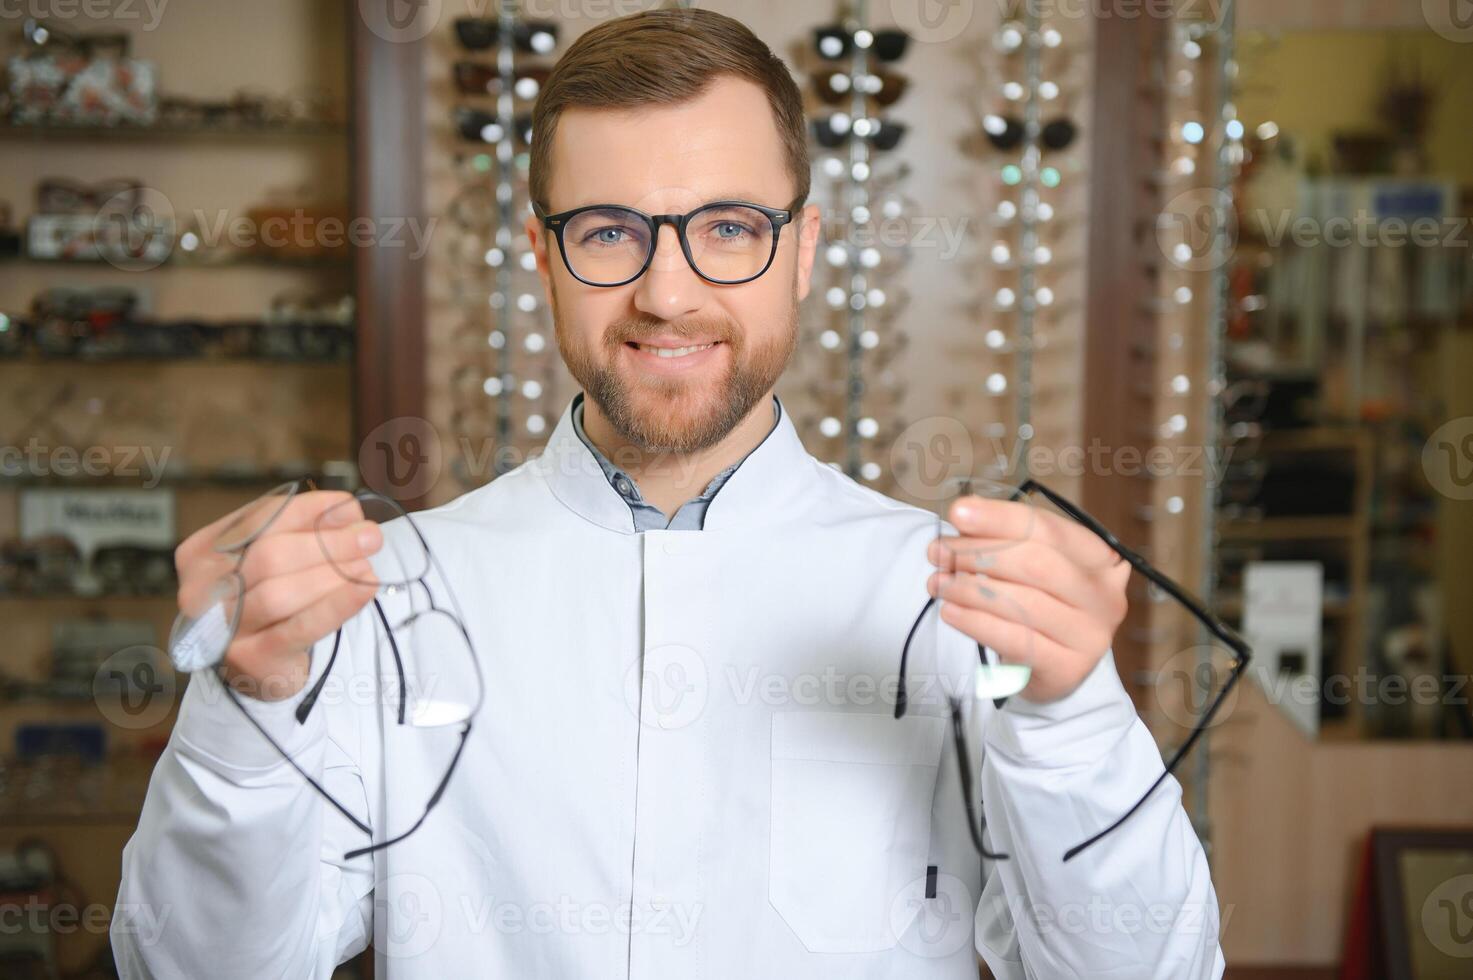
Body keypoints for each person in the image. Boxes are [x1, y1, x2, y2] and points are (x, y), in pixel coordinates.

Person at [112, 9, 1224, 978]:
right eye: (609, 232)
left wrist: (1071, 715)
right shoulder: (383, 594)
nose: (668, 291)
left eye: (729, 228)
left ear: (803, 251)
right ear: (542, 258)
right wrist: (250, 700)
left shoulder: (945, 597)